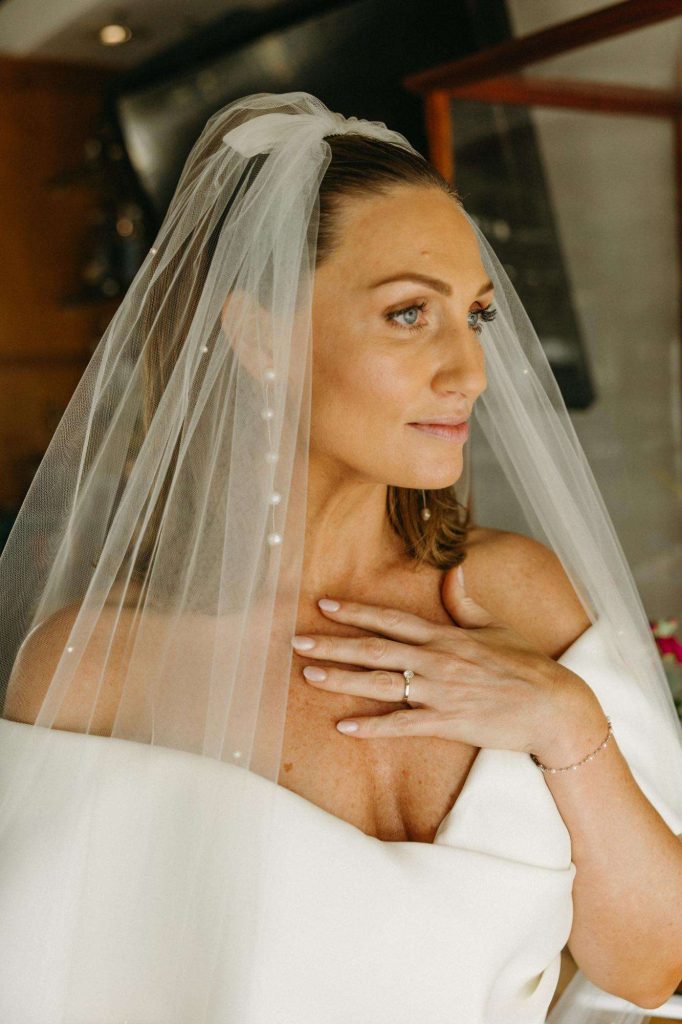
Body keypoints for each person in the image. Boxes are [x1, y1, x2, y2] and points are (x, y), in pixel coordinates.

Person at [0, 91, 681, 1024]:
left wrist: (564, 720)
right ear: (257, 338)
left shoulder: (517, 595)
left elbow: (652, 969)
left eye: (475, 316)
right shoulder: (97, 670)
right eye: (409, 313)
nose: (471, 372)